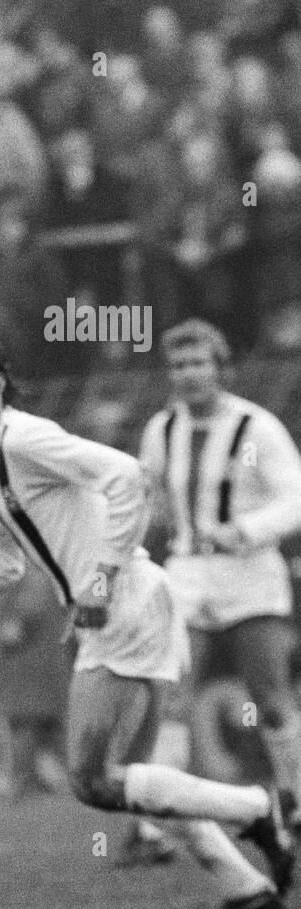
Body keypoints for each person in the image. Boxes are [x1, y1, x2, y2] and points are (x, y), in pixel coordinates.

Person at [0, 332, 291, 909]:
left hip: (128, 605)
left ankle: (256, 810)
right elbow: (3, 560)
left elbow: (128, 478)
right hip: (118, 610)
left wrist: (101, 579)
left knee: (92, 780)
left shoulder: (27, 437)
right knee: (131, 779)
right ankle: (246, 888)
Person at [123, 319, 301, 864]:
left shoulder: (257, 426)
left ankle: (293, 803)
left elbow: (295, 499)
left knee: (270, 697)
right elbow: (145, 498)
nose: (190, 373)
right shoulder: (162, 428)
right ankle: (161, 825)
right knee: (170, 694)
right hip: (188, 575)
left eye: (200, 362)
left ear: (220, 368)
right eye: (179, 364)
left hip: (250, 575)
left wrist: (244, 531)